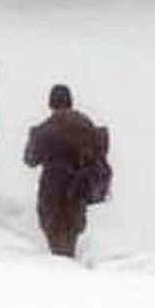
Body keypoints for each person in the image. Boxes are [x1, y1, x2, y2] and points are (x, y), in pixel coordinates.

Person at [24, 84, 99, 258]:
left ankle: (62, 269)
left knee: (54, 233)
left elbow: (30, 160)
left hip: (52, 188)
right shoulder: (86, 124)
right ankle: (68, 263)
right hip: (79, 188)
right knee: (71, 232)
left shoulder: (45, 128)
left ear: (51, 103)